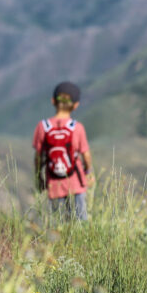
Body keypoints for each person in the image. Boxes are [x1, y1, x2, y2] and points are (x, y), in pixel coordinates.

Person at [33, 81, 93, 222]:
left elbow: (38, 157)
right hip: (76, 182)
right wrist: (88, 172)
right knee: (80, 221)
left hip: (54, 184)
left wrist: (39, 178)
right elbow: (86, 155)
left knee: (58, 223)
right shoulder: (77, 128)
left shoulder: (43, 127)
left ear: (53, 101)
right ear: (76, 105)